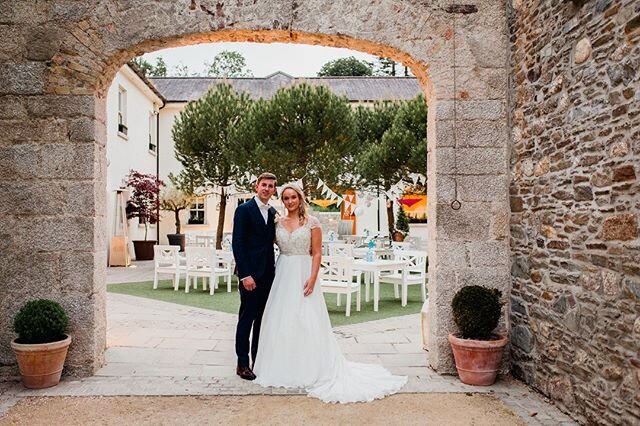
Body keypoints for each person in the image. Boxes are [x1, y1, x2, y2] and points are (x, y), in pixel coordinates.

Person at [254, 183, 407, 403]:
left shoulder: (312, 223)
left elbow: (317, 254)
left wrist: (313, 277)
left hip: (304, 272)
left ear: (300, 199)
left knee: (307, 319)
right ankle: (282, 366)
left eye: (293, 197)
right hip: (283, 274)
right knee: (282, 319)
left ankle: (312, 367)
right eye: (286, 198)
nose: (289, 202)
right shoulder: (277, 221)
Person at [232, 172, 277, 381]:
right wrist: (245, 275)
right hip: (250, 276)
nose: (267, 188)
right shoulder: (243, 210)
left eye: (271, 186)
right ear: (256, 186)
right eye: (264, 185)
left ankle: (257, 359)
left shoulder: (274, 212)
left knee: (262, 320)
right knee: (246, 319)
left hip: (269, 275)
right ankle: (242, 363)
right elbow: (238, 244)